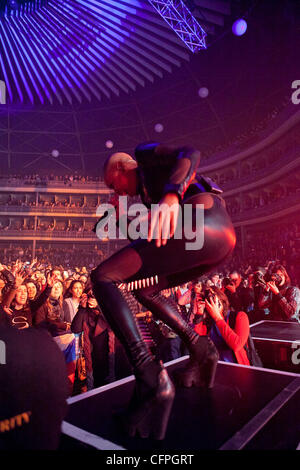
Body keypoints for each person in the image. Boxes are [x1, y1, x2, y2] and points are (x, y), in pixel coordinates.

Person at [91, 142, 236, 439]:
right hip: (218, 237)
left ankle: (148, 376)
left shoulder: (145, 156)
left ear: (121, 167)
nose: (113, 191)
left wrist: (172, 193)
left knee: (103, 277)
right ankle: (200, 347)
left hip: (201, 224)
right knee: (147, 290)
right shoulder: (147, 196)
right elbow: (145, 240)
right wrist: (119, 217)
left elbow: (191, 153)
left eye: (112, 183)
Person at [203, 286, 251, 365]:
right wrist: (197, 314)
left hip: (237, 368)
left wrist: (218, 318)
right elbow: (196, 344)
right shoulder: (207, 321)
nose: (212, 302)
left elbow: (236, 345)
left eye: (213, 297)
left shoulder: (240, 316)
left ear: (222, 299)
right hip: (214, 367)